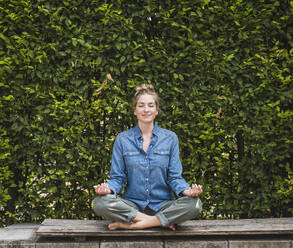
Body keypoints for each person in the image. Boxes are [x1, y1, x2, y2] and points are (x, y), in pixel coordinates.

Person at [93, 84, 202, 230]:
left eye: (150, 105)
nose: (146, 109)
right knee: (100, 202)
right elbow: (118, 178)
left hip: (163, 205)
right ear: (134, 110)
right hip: (132, 205)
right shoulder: (122, 139)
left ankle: (133, 226)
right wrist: (107, 189)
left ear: (156, 110)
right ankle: (156, 221)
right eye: (141, 105)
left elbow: (174, 177)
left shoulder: (170, 138)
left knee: (195, 204)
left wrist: (187, 191)